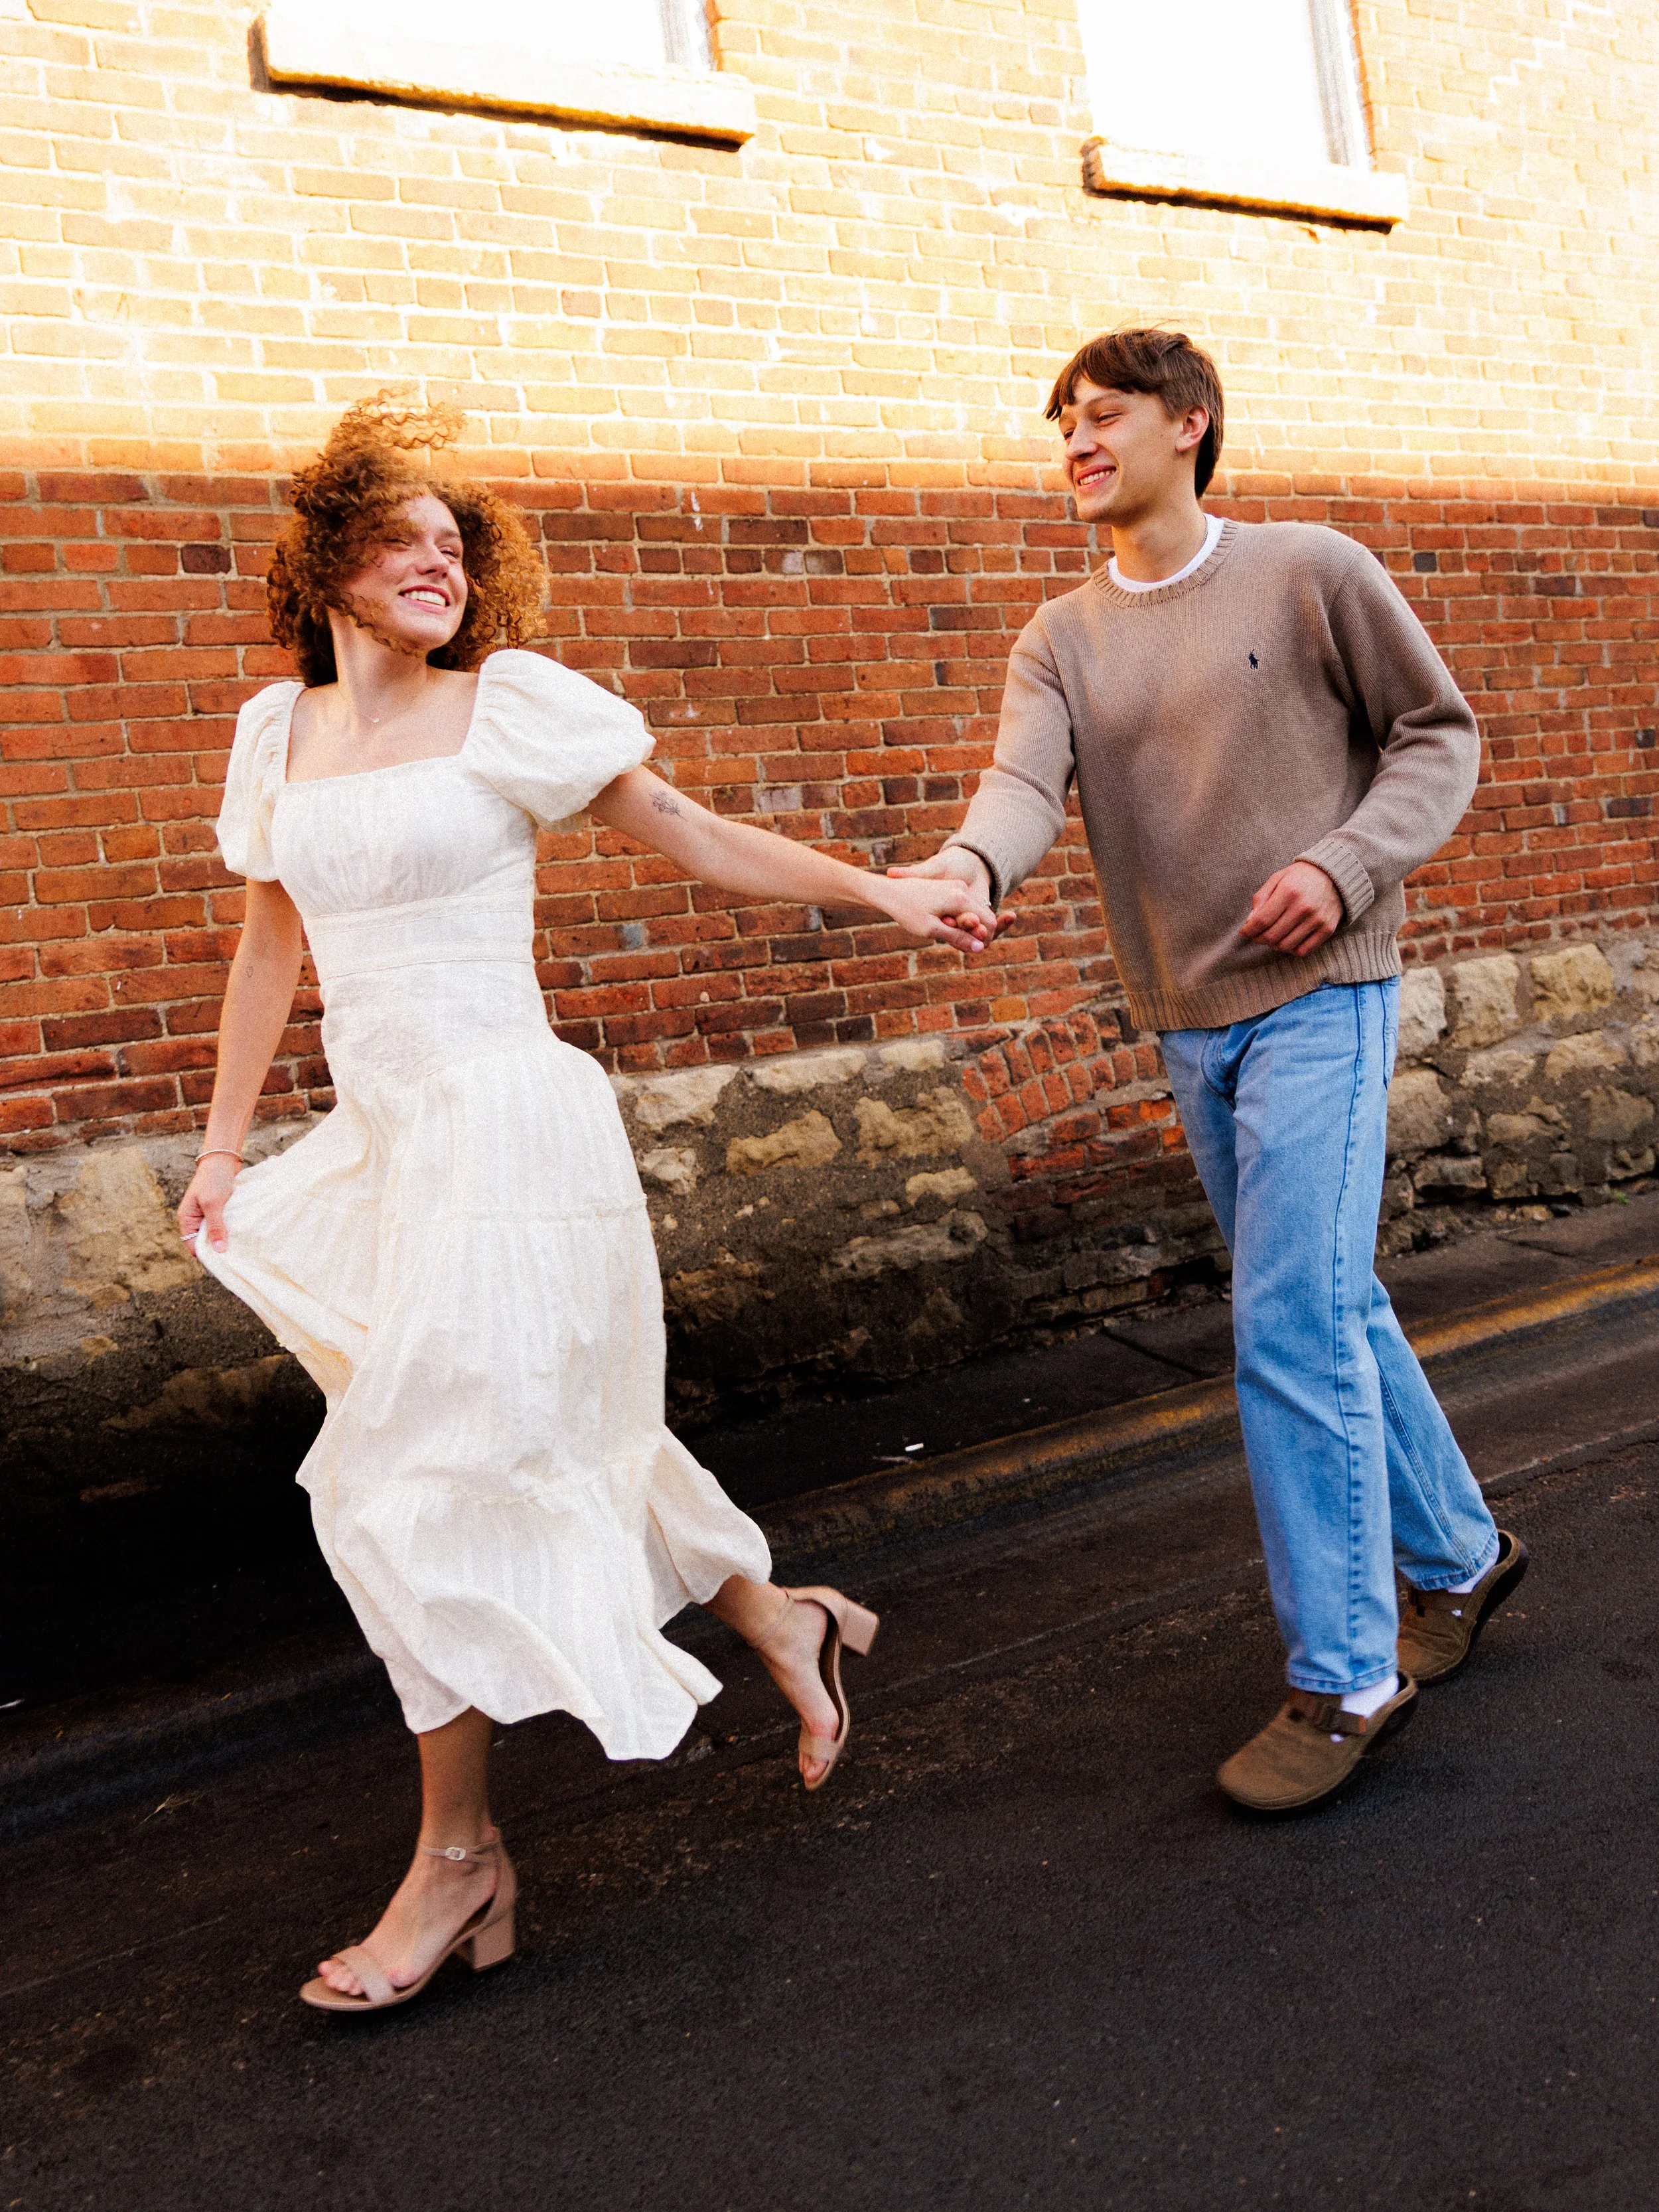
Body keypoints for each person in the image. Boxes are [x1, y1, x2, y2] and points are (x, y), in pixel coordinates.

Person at [178, 396, 997, 2011]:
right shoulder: (275, 735)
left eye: (454, 541)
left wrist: (880, 891)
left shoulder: (511, 706)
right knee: (514, 1438)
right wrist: (218, 1148)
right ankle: (781, 1612)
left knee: (402, 1480)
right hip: (387, 1137)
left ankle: (459, 1858)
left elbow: (691, 832)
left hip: (509, 1126)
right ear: (325, 560)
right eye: (399, 534)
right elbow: (269, 946)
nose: (438, 560)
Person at [893, 329, 1527, 1814]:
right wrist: (967, 863)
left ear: (1187, 424)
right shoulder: (1058, 633)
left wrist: (1344, 862)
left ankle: (1345, 1674)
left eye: (1098, 413)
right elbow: (1015, 782)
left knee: (1285, 1322)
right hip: (1186, 1015)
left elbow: (1436, 735)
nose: (1071, 439)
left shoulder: (1309, 568)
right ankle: (1458, 1553)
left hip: (1320, 994)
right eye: (1059, 421)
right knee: (1328, 1302)